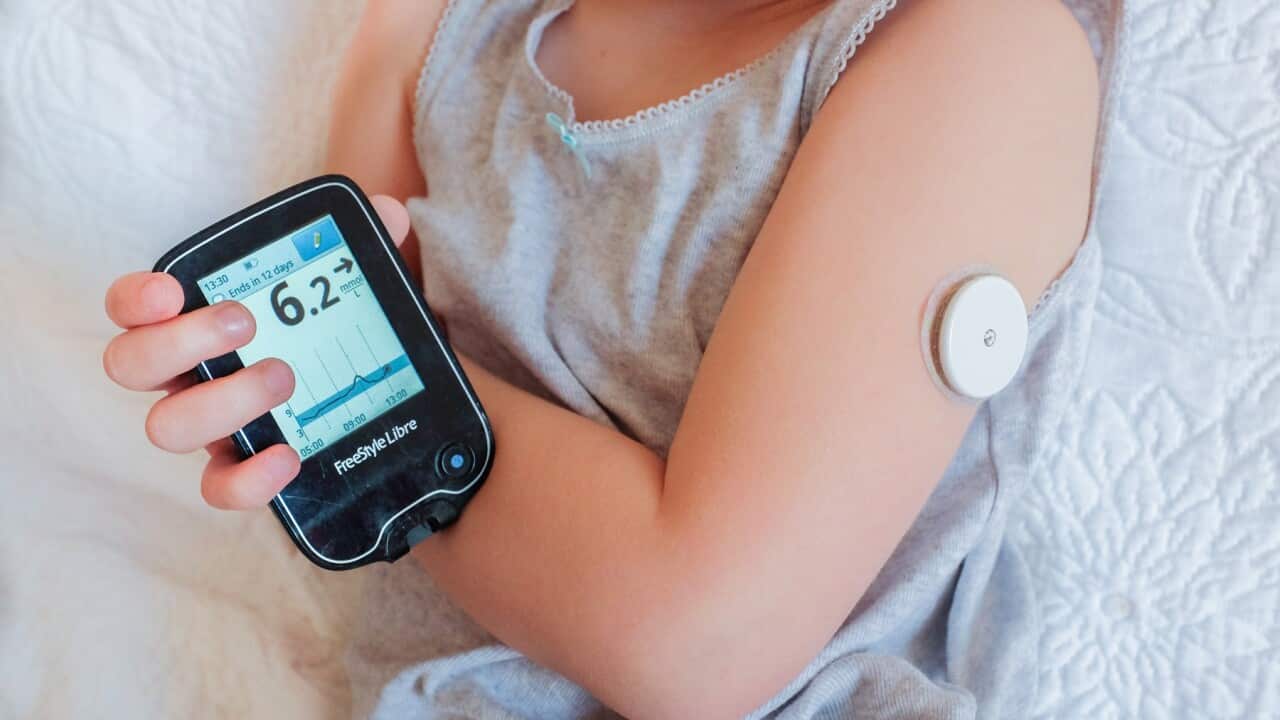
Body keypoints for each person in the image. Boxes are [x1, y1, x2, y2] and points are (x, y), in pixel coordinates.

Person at [102, 0, 1100, 716]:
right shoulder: (448, 29)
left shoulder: (973, 46)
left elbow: (695, 641)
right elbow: (351, 441)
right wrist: (295, 395)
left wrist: (357, 413)